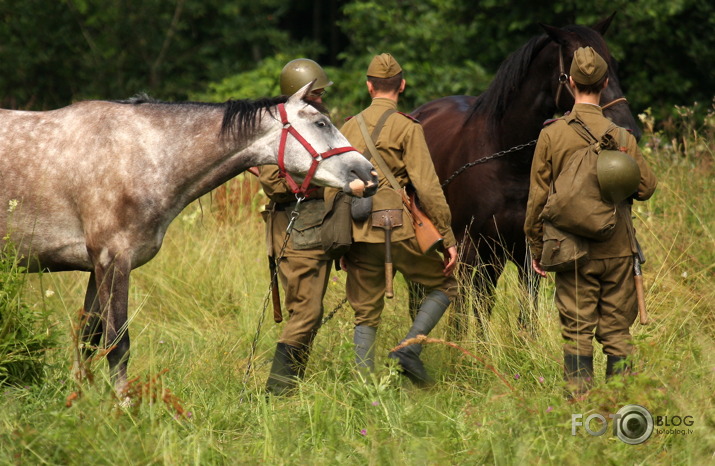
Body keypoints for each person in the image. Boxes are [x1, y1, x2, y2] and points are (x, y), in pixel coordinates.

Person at [524, 47, 657, 395]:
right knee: (617, 332)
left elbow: (537, 199)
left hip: (571, 251)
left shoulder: (552, 135)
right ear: (606, 83)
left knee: (577, 332)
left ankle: (581, 411)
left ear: (569, 83)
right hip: (617, 249)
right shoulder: (622, 136)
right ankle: (621, 407)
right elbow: (646, 188)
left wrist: (538, 248)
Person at [340, 53, 459, 387]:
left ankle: (365, 389)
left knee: (365, 311)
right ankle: (407, 350)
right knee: (448, 285)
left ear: (368, 86)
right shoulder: (407, 127)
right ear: (402, 86)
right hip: (401, 229)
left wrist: (341, 244)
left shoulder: (347, 127)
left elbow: (334, 189)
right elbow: (428, 188)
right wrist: (448, 239)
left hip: (359, 230)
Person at [262, 58, 334, 395]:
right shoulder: (280, 126)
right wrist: (322, 182)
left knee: (311, 312)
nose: (321, 99)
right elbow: (273, 183)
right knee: (306, 311)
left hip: (319, 229)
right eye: (316, 93)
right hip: (297, 231)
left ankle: (290, 385)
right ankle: (277, 391)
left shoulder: (316, 123)